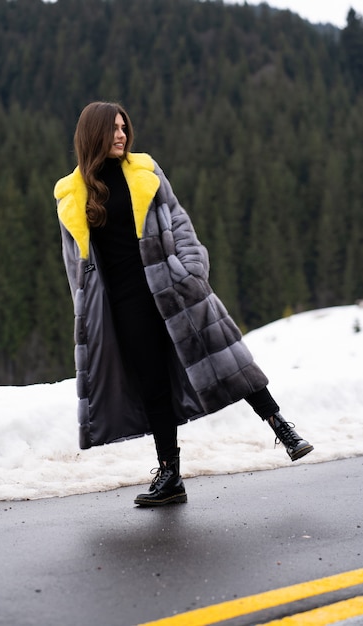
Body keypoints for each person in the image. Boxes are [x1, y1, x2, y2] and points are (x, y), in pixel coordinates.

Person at [54, 101, 313, 507]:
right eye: (113, 129)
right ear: (94, 135)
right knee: (154, 386)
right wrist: (87, 314)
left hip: (173, 288)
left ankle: (284, 429)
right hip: (125, 304)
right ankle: (171, 476)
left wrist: (191, 271)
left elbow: (180, 223)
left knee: (227, 359)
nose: (122, 135)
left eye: (124, 128)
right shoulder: (72, 194)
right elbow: (76, 266)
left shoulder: (145, 173)